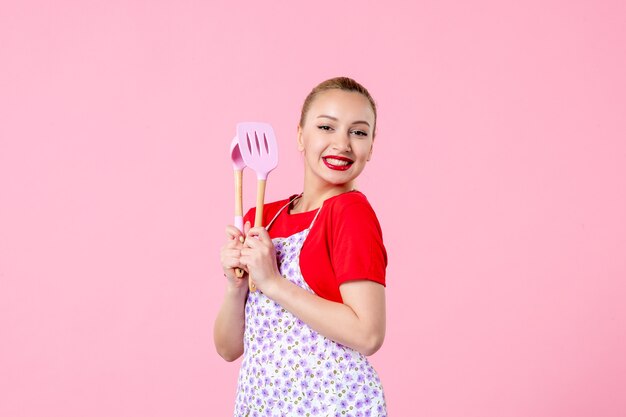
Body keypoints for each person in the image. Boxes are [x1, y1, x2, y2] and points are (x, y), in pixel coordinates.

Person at [214, 77, 388, 417]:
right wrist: (236, 288)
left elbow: (368, 334)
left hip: (329, 407)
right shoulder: (263, 216)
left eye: (358, 132)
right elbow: (228, 348)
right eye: (326, 127)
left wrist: (273, 283)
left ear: (371, 145)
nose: (342, 144)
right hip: (261, 405)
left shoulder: (351, 213)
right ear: (299, 136)